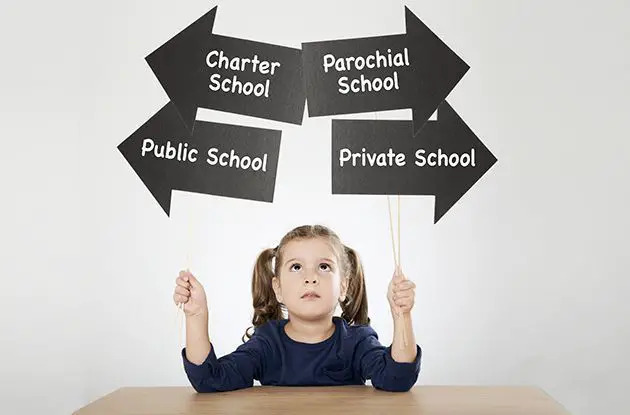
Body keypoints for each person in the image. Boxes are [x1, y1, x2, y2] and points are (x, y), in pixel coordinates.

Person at [172, 224, 421, 392]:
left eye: (324, 267)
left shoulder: (357, 341)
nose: (310, 277)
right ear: (277, 288)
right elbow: (209, 379)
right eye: (296, 267)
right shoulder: (267, 343)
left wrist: (402, 315)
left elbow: (397, 378)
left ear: (343, 286)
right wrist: (196, 315)